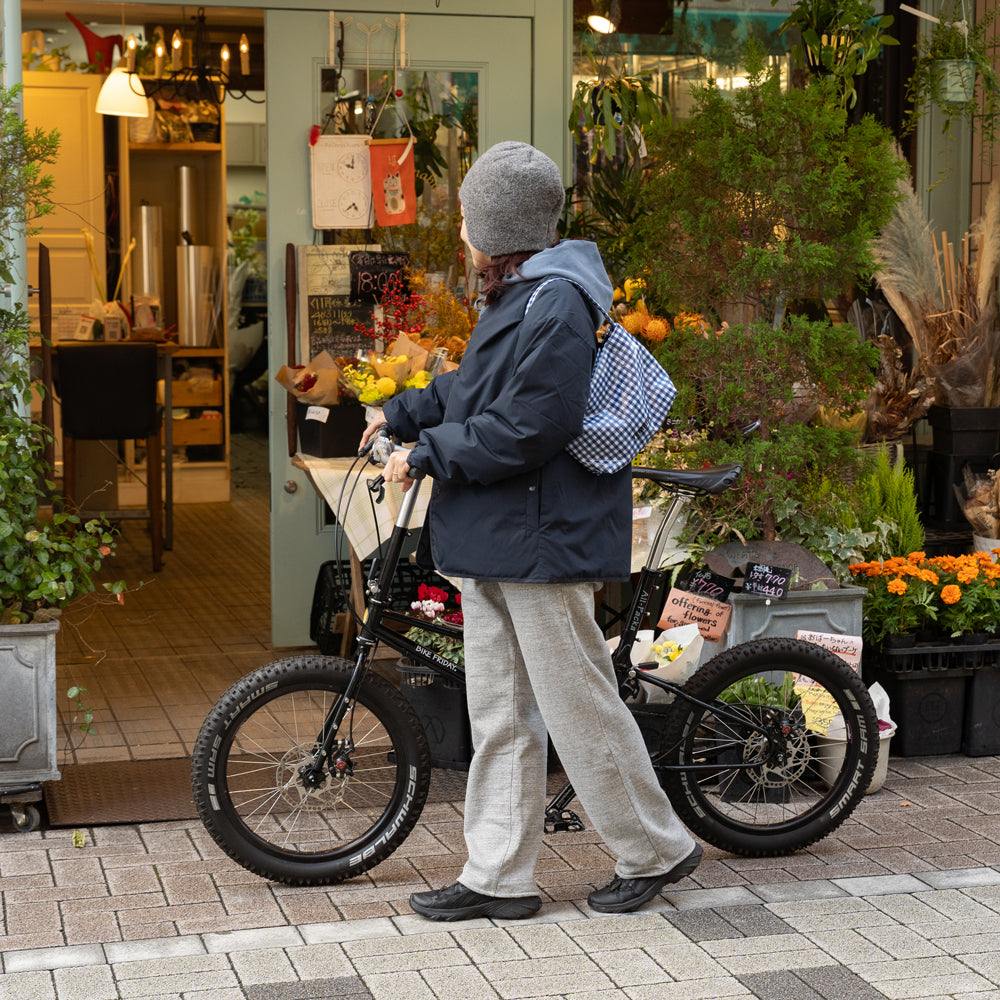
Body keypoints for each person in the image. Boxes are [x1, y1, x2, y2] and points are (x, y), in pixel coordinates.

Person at [359, 141, 700, 921]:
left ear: (492, 229)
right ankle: (498, 876)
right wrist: (403, 412)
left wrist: (428, 451)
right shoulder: (524, 299)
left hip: (542, 539)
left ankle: (656, 848)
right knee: (504, 714)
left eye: (467, 221)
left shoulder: (557, 302)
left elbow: (530, 425)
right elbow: (474, 389)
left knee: (576, 704)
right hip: (503, 537)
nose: (460, 235)